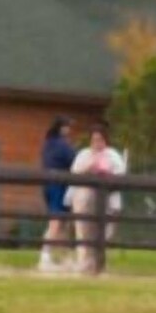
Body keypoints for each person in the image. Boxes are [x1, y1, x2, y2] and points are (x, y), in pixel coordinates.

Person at [66, 126, 125, 274]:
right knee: (83, 232)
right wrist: (89, 167)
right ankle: (83, 264)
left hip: (108, 200)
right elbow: (75, 172)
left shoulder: (112, 155)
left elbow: (121, 173)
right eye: (94, 140)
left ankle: (99, 264)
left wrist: (106, 172)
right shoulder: (84, 154)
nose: (96, 143)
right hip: (84, 200)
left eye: (100, 139)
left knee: (106, 233)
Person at [39, 117, 76, 272]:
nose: (70, 130)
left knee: (62, 223)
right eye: (68, 127)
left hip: (47, 184)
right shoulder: (62, 145)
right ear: (62, 128)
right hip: (58, 185)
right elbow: (74, 160)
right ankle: (45, 257)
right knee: (56, 221)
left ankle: (65, 258)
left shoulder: (47, 143)